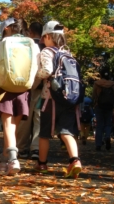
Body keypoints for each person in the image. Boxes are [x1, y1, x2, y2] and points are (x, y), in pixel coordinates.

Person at [0, 17, 39, 175]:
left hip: (6, 89)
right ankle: (4, 160)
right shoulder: (32, 43)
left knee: (8, 127)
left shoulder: (4, 43)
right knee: (13, 128)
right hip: (24, 89)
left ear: (8, 28)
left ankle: (13, 158)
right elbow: (37, 66)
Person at [35, 21, 82, 178]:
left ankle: (42, 164)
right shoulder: (69, 54)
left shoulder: (47, 52)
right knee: (66, 132)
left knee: (45, 133)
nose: (43, 42)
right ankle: (75, 161)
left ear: (47, 36)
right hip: (70, 98)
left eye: (43, 38)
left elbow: (47, 70)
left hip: (51, 98)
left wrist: (35, 76)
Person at [16, 21, 44, 160]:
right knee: (39, 118)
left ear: (30, 32)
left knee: (24, 118)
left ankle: (21, 148)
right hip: (42, 88)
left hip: (26, 86)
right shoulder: (45, 46)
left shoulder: (26, 45)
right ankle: (36, 148)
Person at [92, 69, 114, 151]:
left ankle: (98, 144)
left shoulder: (97, 84)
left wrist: (95, 102)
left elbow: (94, 95)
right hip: (109, 106)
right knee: (108, 124)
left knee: (99, 125)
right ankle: (107, 137)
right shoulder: (113, 84)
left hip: (99, 106)